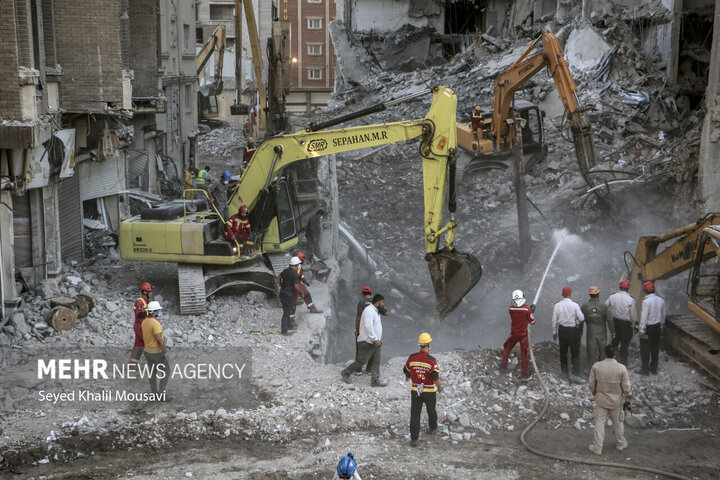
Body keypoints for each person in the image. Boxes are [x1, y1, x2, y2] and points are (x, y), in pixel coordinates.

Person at [588, 345, 631, 455]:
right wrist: (629, 396)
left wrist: (594, 392)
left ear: (605, 353)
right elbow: (626, 387)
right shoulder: (621, 368)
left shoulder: (597, 366)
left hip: (601, 400)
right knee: (618, 423)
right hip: (616, 401)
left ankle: (597, 447)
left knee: (599, 423)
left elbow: (591, 384)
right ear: (615, 354)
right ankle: (620, 443)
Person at [404, 332, 443, 447]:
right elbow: (435, 377)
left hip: (415, 390)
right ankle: (432, 428)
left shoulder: (412, 358)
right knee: (431, 410)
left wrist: (410, 377)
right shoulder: (432, 360)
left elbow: (406, 370)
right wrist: (441, 389)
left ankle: (414, 439)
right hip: (429, 391)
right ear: (429, 345)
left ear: (420, 345)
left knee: (415, 414)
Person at [341, 294, 387, 387]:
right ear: (378, 302)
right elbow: (367, 326)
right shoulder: (369, 311)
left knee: (376, 360)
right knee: (362, 360)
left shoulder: (375, 311)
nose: (383, 305)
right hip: (367, 341)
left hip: (375, 341)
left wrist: (377, 339)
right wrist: (374, 339)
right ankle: (346, 372)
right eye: (382, 303)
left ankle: (375, 380)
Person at [552, 286, 585, 381]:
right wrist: (578, 324)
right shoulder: (575, 305)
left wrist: (554, 332)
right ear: (570, 294)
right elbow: (582, 318)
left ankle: (565, 374)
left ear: (562, 294)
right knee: (575, 352)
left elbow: (554, 320)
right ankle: (576, 374)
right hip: (572, 331)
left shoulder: (557, 305)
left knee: (563, 352)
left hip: (562, 330)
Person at [501, 289, 535, 380]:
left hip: (513, 334)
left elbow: (518, 311)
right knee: (525, 354)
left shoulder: (510, 308)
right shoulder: (527, 309)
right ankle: (524, 373)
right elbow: (532, 321)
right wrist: (531, 311)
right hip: (523, 335)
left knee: (507, 348)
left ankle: (503, 365)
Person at [353, 286, 388, 375]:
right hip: (375, 332)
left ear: (362, 294)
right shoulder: (375, 303)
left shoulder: (361, 303)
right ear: (371, 293)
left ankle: (358, 370)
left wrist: (357, 330)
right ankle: (369, 369)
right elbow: (386, 313)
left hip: (364, 331)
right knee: (373, 350)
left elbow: (358, 317)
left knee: (360, 350)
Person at [637, 281, 666, 375]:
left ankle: (645, 370)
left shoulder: (646, 302)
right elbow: (663, 314)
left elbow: (644, 316)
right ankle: (653, 369)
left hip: (648, 328)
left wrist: (641, 330)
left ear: (645, 290)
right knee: (654, 348)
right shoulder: (661, 300)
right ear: (654, 289)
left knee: (645, 348)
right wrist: (662, 325)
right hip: (657, 327)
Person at [142, 301, 170, 399]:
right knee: (166, 371)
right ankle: (161, 395)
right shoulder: (155, 324)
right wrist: (165, 352)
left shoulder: (144, 322)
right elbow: (159, 340)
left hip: (147, 351)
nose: (159, 312)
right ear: (154, 312)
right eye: (158, 310)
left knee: (152, 372)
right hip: (156, 353)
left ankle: (154, 393)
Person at [606, 280, 637, 367]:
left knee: (614, 343)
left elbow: (605, 307)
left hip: (615, 323)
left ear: (620, 287)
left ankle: (612, 363)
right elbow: (633, 315)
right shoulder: (630, 299)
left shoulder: (612, 297)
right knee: (624, 345)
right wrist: (637, 326)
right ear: (628, 288)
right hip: (626, 325)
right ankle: (624, 363)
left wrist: (609, 316)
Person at [581, 286, 615, 365]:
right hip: (602, 332)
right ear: (598, 294)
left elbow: (580, 321)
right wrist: (613, 331)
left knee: (591, 352)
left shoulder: (584, 307)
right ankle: (602, 370)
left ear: (589, 294)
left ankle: (592, 370)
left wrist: (579, 332)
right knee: (602, 352)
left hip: (591, 332)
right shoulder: (604, 307)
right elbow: (610, 320)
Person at [277, 256, 303, 335]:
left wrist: (281, 285)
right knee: (286, 313)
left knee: (287, 311)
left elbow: (278, 277)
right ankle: (284, 331)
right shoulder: (294, 274)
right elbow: (296, 286)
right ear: (296, 265)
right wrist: (302, 292)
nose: (298, 266)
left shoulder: (285, 271)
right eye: (298, 265)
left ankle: (289, 326)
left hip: (282, 293)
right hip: (288, 295)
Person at [131, 282, 153, 364]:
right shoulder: (139, 302)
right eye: (150, 291)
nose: (151, 293)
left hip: (143, 326)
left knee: (139, 345)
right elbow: (139, 314)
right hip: (140, 326)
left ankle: (132, 363)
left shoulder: (146, 301)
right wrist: (149, 312)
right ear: (144, 292)